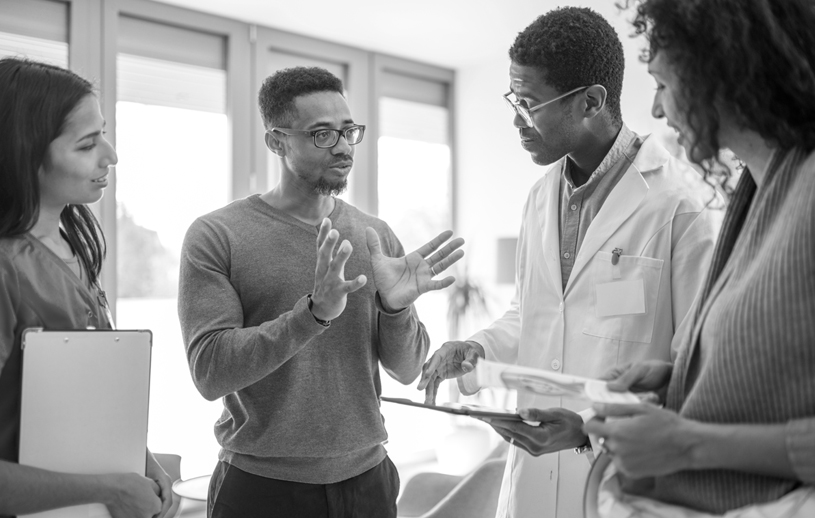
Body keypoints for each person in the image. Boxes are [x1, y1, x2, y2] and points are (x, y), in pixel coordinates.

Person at [417, 7, 719, 518]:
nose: (516, 118)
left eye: (529, 102)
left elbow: (696, 370)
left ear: (591, 102)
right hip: (533, 483)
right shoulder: (539, 198)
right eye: (514, 99)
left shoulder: (679, 205)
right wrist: (475, 348)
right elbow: (533, 314)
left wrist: (588, 433)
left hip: (619, 482)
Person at [177, 66, 464, 518]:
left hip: (367, 481)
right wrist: (311, 315)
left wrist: (395, 307)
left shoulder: (374, 235)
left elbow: (407, 370)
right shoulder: (218, 235)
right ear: (277, 141)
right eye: (322, 134)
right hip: (261, 488)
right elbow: (210, 372)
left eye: (348, 130)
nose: (344, 146)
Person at [584, 0, 815, 515]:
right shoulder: (756, 193)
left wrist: (688, 441)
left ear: (723, 72)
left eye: (663, 84)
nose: (658, 109)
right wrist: (683, 376)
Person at [0, 58, 172, 518]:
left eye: (104, 134)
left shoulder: (73, 244)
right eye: (86, 144)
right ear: (25, 153)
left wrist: (139, 456)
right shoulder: (7, 269)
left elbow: (79, 402)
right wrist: (111, 489)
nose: (110, 155)